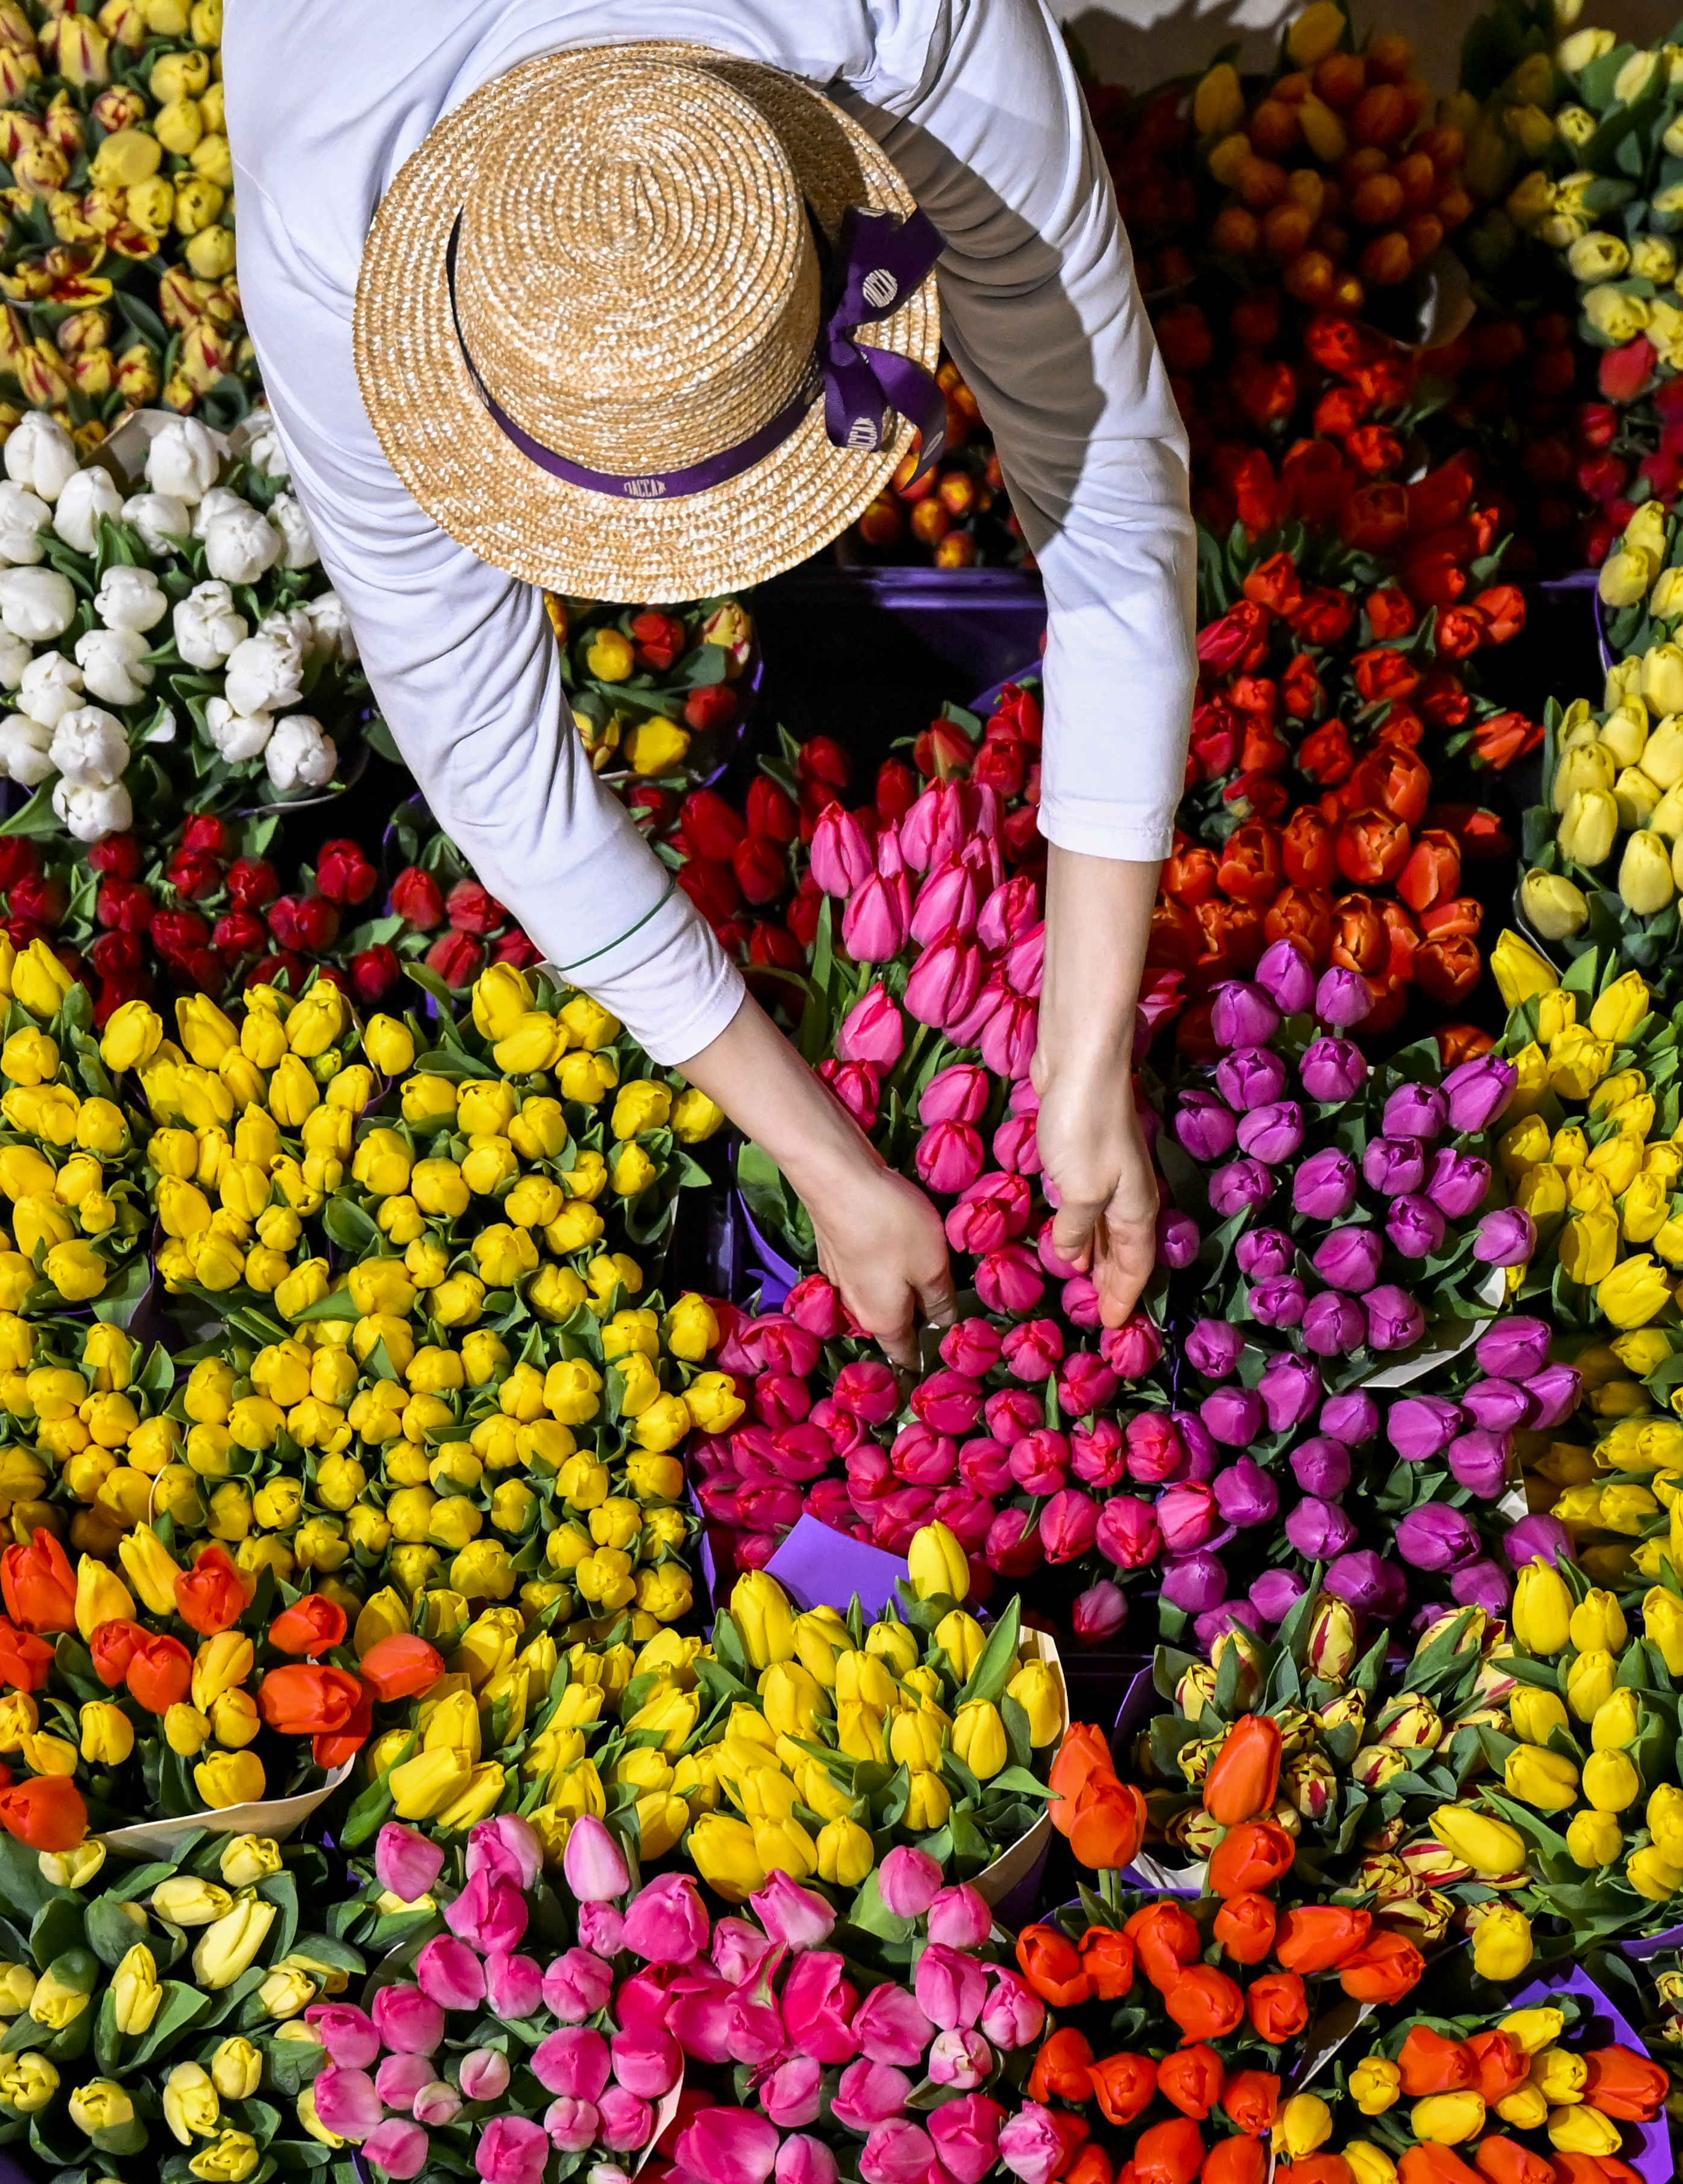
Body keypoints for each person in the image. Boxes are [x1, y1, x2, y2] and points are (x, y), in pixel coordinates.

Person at [225, 2, 1192, 1359]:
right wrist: (823, 1160)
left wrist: (1085, 1052)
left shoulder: (923, 30)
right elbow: (497, 771)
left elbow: (1112, 504)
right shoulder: (333, 233)